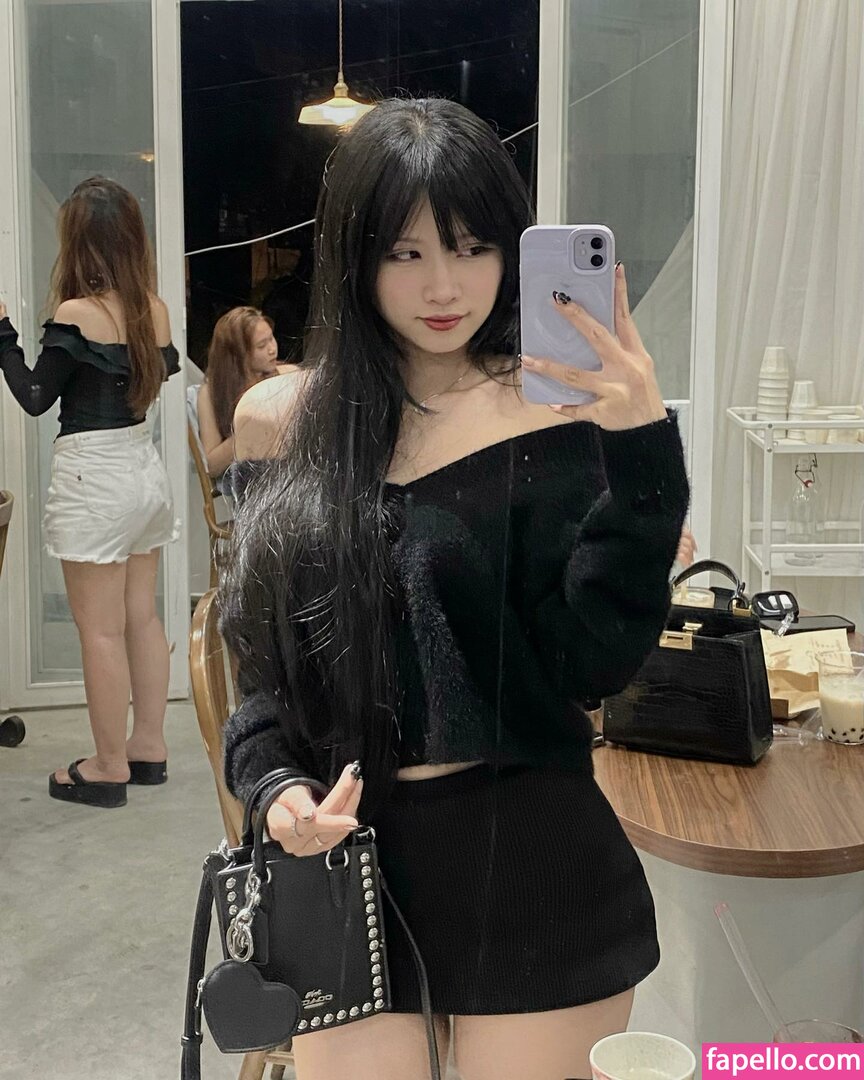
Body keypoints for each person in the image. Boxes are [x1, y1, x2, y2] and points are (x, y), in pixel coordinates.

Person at [219, 98, 691, 1080]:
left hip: (533, 862)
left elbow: (594, 664)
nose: (444, 285)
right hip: (349, 873)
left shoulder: (552, 412)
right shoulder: (285, 422)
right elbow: (262, 679)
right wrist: (275, 791)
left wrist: (643, 455)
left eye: (473, 247)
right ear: (356, 259)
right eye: (406, 253)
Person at [0, 176, 181, 808]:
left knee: (99, 631)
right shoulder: (153, 310)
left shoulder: (77, 313)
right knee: (141, 615)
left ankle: (107, 766)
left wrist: (3, 334)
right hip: (143, 470)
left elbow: (33, 395)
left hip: (93, 477)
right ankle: (148, 746)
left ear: (77, 241)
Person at [196, 306, 290, 477]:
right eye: (262, 345)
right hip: (246, 479)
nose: (272, 349)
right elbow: (211, 466)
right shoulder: (210, 393)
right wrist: (247, 430)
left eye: (271, 338)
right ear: (239, 355)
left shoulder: (286, 375)